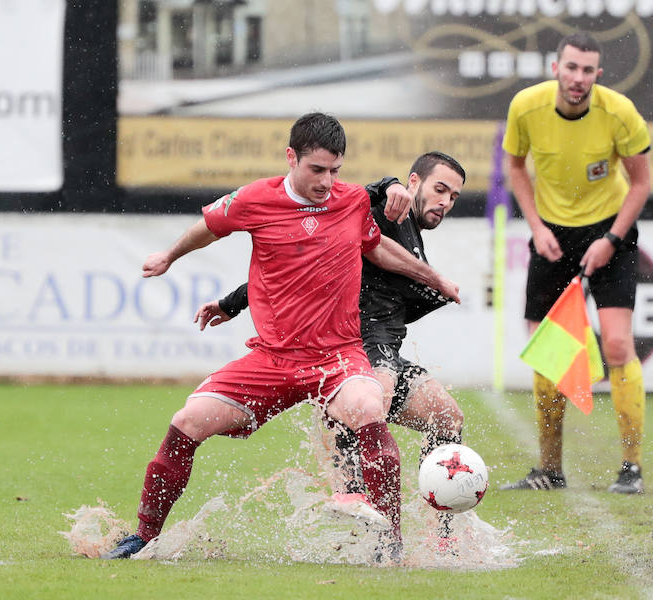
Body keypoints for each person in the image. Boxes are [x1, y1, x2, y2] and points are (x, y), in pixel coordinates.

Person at [101, 113, 460, 563]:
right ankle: (143, 537)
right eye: (317, 170)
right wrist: (170, 256)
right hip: (272, 360)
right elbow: (209, 228)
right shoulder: (256, 199)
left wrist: (435, 278)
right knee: (187, 420)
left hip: (338, 357)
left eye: (336, 170)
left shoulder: (350, 201)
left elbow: (379, 247)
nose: (328, 181)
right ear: (292, 157)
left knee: (369, 409)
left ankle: (390, 542)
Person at [196, 152, 468, 549]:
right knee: (377, 391)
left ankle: (443, 531)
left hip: (387, 347)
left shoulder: (411, 236)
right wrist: (387, 183)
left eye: (454, 197)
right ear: (413, 183)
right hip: (355, 342)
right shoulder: (383, 209)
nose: (445, 202)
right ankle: (351, 491)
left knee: (447, 418)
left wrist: (228, 304)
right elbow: (310, 248)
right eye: (439, 189)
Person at [500, 31, 651, 494]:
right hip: (551, 235)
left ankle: (631, 468)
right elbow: (515, 167)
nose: (578, 78)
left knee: (619, 347)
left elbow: (641, 183)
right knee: (548, 355)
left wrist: (610, 239)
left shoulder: (619, 112)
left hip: (610, 231)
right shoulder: (525, 107)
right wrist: (537, 228)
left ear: (597, 75)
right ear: (555, 68)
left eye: (588, 71)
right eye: (571, 68)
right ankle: (550, 469)